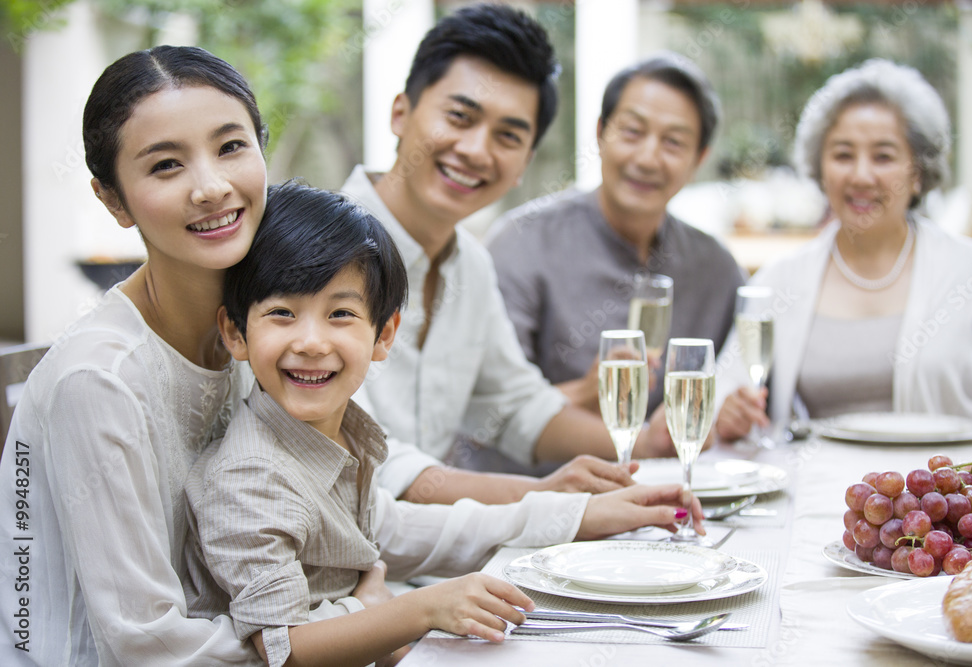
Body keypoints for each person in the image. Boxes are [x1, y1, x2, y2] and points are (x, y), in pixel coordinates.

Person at [185, 180, 700, 667]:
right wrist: (416, 610)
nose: (312, 341)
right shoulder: (250, 476)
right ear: (235, 332)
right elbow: (288, 648)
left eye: (340, 314)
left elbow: (408, 529)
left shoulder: (333, 438)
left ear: (384, 334)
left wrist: (580, 513)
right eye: (282, 314)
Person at [0, 46, 329, 665]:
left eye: (231, 147)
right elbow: (148, 645)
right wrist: (357, 623)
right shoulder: (99, 382)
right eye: (166, 165)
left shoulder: (257, 328)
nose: (211, 187)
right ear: (114, 201)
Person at [341, 3, 675, 505]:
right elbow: (369, 465)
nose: (477, 150)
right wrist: (542, 496)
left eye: (508, 136)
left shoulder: (471, 265)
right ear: (400, 112)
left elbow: (519, 407)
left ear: (523, 164)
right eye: (460, 117)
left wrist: (647, 442)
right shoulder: (321, 249)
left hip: (431, 553)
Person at [715, 59, 972, 441]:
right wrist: (727, 414)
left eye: (883, 156)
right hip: (815, 495)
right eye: (843, 155)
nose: (861, 176)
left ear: (918, 172)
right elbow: (723, 393)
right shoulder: (780, 279)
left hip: (948, 496)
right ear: (820, 169)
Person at [485, 52, 744, 420]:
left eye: (673, 142)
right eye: (632, 132)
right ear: (600, 133)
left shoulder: (715, 267)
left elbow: (739, 384)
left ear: (699, 158)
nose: (648, 158)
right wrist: (584, 393)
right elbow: (490, 411)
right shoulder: (523, 242)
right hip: (543, 476)